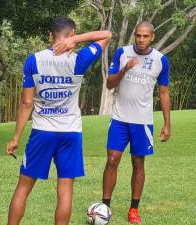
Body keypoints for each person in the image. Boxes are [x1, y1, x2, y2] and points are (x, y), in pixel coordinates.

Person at [6, 16, 111, 225]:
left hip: (42, 132)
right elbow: (107, 35)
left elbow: (27, 103)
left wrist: (16, 137)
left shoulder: (33, 60)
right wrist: (77, 40)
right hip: (70, 133)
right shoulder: (79, 59)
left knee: (24, 187)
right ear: (71, 34)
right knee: (65, 190)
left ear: (49, 35)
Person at [102, 21, 170, 224]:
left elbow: (164, 92)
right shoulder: (122, 53)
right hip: (120, 119)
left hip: (143, 122)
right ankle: (104, 207)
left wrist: (167, 124)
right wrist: (124, 69)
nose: (141, 39)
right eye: (138, 35)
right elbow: (109, 84)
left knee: (138, 162)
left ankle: (133, 209)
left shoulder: (161, 60)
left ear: (153, 37)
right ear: (134, 35)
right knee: (112, 159)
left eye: (145, 36)